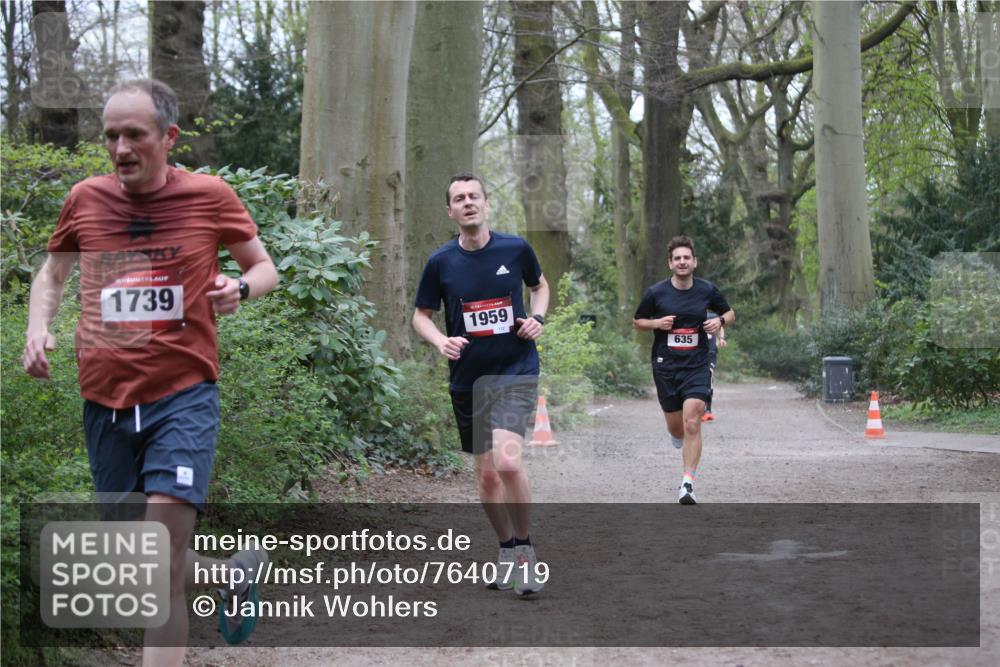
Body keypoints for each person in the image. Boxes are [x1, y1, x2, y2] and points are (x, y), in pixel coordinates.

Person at [22, 79, 278, 665]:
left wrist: (239, 287)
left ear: (169, 136)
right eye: (111, 135)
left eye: (134, 134)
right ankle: (228, 575)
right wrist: (39, 328)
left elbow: (264, 267)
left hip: (182, 396)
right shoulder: (85, 199)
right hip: (104, 400)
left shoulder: (210, 196)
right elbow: (52, 276)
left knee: (158, 567)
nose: (120, 148)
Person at [412, 172, 549, 596]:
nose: (468, 202)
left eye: (474, 196)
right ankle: (506, 548)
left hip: (515, 370)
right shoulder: (440, 262)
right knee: (487, 477)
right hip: (468, 380)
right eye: (459, 198)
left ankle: (525, 552)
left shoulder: (515, 248)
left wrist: (537, 319)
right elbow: (420, 316)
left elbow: (540, 287)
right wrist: (440, 340)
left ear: (486, 204)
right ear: (450, 211)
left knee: (508, 463)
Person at [633, 236, 733, 505]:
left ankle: (687, 483)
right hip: (666, 366)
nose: (682, 262)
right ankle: (676, 435)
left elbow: (729, 312)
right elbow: (638, 321)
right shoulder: (656, 293)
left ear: (694, 262)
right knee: (677, 428)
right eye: (677, 258)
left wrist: (720, 321)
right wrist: (656, 324)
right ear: (670, 263)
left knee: (692, 419)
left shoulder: (707, 290)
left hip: (697, 364)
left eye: (686, 257)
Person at [701, 310, 727, 422]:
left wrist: (721, 339)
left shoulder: (713, 316)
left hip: (710, 353)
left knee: (708, 377)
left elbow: (720, 326)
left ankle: (708, 410)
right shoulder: (692, 313)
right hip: (696, 354)